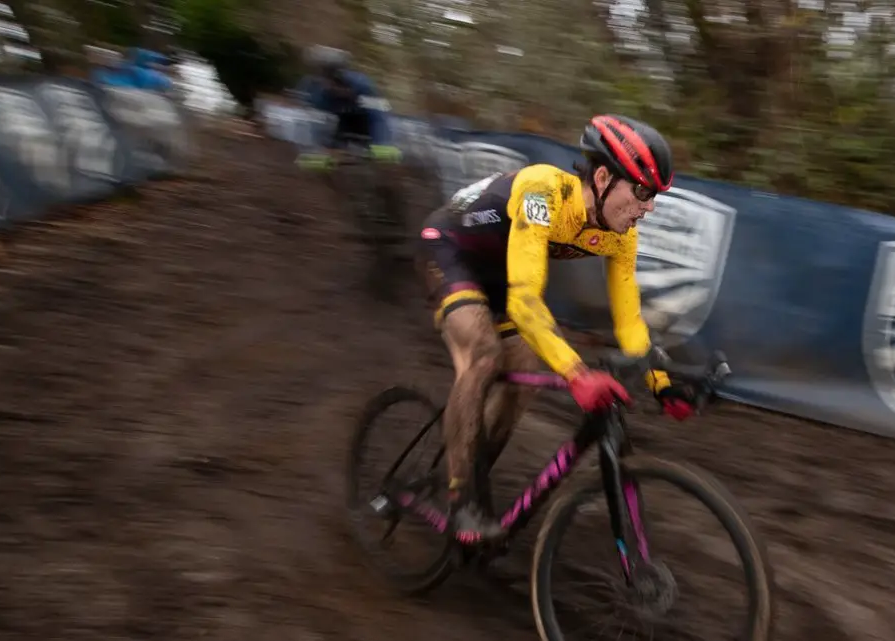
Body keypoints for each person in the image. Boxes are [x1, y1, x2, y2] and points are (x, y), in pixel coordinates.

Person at [415, 114, 698, 543]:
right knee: (484, 354)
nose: (650, 206)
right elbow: (525, 300)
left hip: (499, 272)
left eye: (655, 196)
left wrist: (660, 382)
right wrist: (578, 374)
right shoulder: (543, 190)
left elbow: (629, 319)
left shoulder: (621, 234)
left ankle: (475, 474)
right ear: (603, 177)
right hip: (450, 250)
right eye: (642, 191)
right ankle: (461, 500)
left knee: (526, 367)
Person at [293, 45, 402, 169]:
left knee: (377, 136)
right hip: (342, 123)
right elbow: (313, 123)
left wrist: (382, 143)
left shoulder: (364, 86)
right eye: (327, 84)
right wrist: (316, 149)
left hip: (367, 122)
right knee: (329, 135)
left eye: (339, 87)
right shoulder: (316, 93)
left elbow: (379, 116)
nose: (333, 89)